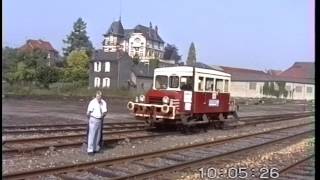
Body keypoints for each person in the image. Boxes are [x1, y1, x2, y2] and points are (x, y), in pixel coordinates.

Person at [86, 90, 107, 155]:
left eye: (100, 96)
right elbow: (88, 112)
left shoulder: (103, 102)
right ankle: (90, 150)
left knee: (98, 135)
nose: (99, 98)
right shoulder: (92, 102)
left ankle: (96, 148)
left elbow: (105, 111)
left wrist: (102, 116)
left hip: (100, 119)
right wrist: (90, 119)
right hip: (93, 118)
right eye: (98, 96)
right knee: (92, 134)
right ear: (96, 96)